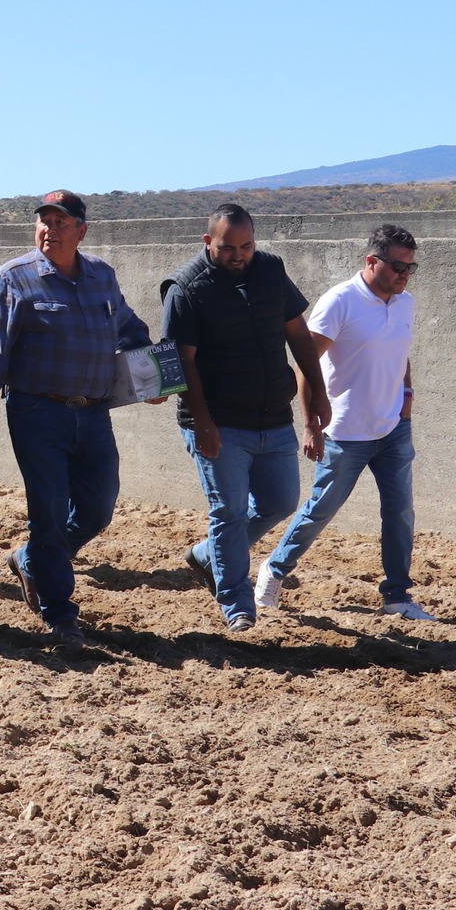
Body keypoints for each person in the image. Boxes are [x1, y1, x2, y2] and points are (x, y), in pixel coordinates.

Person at [0, 190, 156, 648]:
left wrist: (152, 378)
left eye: (61, 221)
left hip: (92, 414)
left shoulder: (102, 277)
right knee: (48, 512)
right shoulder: (14, 280)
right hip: (36, 411)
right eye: (44, 221)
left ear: (82, 231)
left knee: (98, 506)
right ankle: (60, 614)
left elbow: (131, 330)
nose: (50, 229)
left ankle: (32, 560)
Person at [160, 205, 330, 631]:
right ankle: (236, 603)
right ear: (207, 242)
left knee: (279, 502)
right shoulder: (186, 289)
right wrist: (202, 422)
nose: (239, 255)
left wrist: (318, 397)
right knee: (229, 511)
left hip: (273, 416)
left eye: (247, 246)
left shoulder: (270, 270)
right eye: (228, 248)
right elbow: (182, 363)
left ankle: (207, 555)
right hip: (219, 421)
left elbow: (298, 335)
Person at [258, 224, 431, 620]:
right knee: (321, 509)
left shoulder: (405, 303)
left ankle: (397, 596)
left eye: (411, 268)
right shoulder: (340, 301)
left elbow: (399, 352)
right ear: (371, 262)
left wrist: (406, 396)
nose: (404, 275)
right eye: (397, 267)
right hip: (344, 432)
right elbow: (305, 363)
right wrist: (310, 424)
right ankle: (275, 569)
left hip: (393, 429)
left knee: (400, 512)